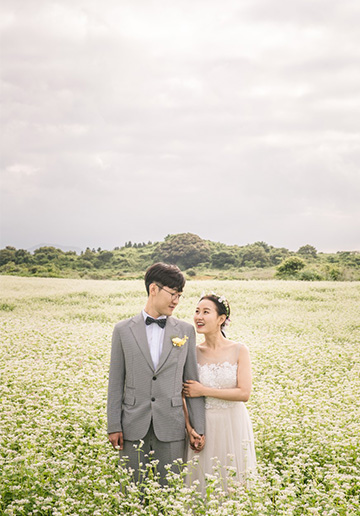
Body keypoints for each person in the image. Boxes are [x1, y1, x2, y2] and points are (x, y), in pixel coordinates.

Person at [107, 262, 206, 484]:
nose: (176, 301)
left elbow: (191, 382)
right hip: (132, 426)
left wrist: (198, 428)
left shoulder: (186, 330)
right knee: (132, 493)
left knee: (170, 492)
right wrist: (114, 425)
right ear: (153, 289)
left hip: (171, 425)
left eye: (179, 295)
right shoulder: (122, 330)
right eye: (172, 294)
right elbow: (115, 381)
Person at [183, 293, 256, 493]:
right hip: (204, 423)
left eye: (206, 312)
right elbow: (184, 394)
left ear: (221, 319)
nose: (199, 316)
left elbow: (244, 393)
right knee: (203, 483)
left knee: (233, 480)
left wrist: (203, 390)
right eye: (197, 311)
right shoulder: (192, 352)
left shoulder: (240, 350)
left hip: (233, 423)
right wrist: (190, 429)